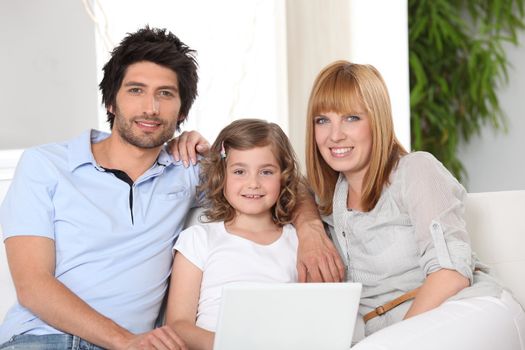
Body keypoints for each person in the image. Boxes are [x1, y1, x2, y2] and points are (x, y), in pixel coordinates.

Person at [0, 27, 342, 350]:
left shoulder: (188, 172)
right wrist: (126, 341)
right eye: (136, 90)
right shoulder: (45, 165)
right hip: (42, 339)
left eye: (165, 94)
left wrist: (311, 231)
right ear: (110, 101)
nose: (151, 107)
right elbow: (33, 286)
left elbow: (280, 182)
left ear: (182, 112)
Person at [305, 60, 525, 349]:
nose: (335, 135)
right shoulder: (328, 197)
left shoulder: (415, 170)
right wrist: (308, 229)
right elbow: (288, 187)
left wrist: (394, 339)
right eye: (323, 120)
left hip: (468, 309)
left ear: (377, 121)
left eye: (351, 118)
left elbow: (451, 275)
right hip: (396, 334)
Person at [165, 119, 303, 349]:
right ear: (222, 175)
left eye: (266, 172)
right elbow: (178, 325)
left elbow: (310, 314)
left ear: (283, 176)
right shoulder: (199, 240)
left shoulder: (297, 241)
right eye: (240, 171)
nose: (253, 183)